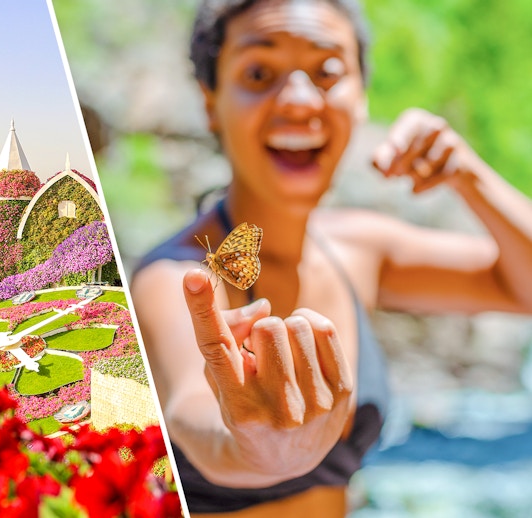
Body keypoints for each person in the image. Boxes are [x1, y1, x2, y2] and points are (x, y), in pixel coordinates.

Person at [129, 0, 532, 516]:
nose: (298, 100)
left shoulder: (360, 250)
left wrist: (468, 176)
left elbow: (521, 286)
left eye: (327, 72)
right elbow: (195, 414)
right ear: (211, 101)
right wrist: (259, 447)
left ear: (361, 96)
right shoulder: (182, 275)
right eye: (259, 72)